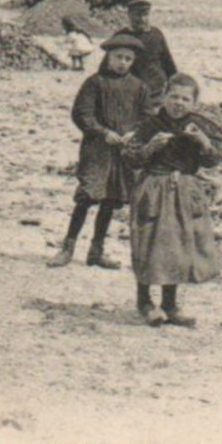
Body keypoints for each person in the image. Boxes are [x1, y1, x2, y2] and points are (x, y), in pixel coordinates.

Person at [121, 74, 222, 326]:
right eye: (174, 96)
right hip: (153, 186)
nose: (178, 103)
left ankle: (170, 304)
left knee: (178, 245)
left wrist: (203, 142)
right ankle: (144, 301)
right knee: (148, 242)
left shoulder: (199, 125)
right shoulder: (151, 124)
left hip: (185, 189)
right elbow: (131, 159)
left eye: (185, 99)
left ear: (194, 102)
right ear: (164, 96)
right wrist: (150, 148)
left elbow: (212, 160)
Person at [51, 34, 153, 269]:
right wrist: (102, 132)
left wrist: (134, 133)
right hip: (97, 151)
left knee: (110, 199)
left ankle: (96, 251)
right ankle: (68, 247)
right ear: (108, 56)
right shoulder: (94, 83)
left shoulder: (139, 87)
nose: (123, 63)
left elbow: (148, 118)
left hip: (122, 154)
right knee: (87, 197)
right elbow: (82, 113)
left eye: (128, 59)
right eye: (118, 57)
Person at [114, 0, 177, 99]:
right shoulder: (121, 37)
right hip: (130, 91)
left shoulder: (156, 34)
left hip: (156, 89)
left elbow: (167, 61)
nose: (142, 19)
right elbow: (109, 65)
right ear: (129, 15)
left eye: (145, 15)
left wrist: (175, 83)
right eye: (138, 15)